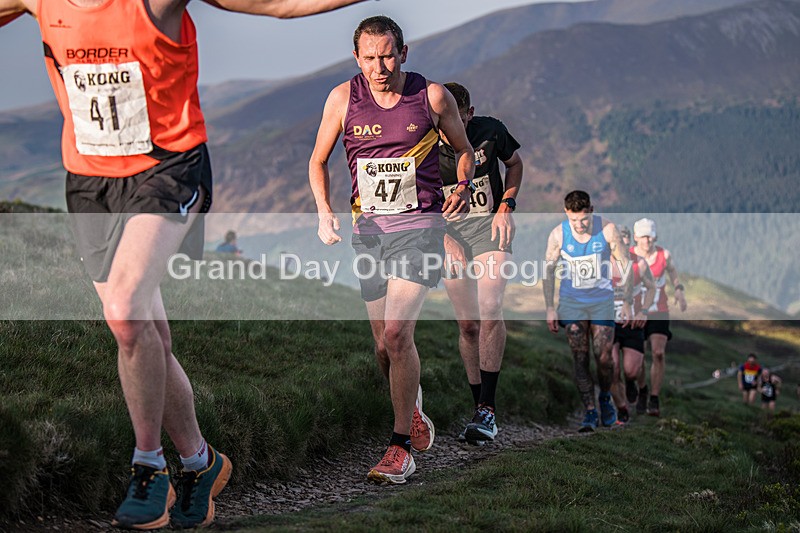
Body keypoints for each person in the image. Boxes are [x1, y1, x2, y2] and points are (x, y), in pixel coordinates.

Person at [0, 0, 368, 529]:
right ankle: (201, 462)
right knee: (145, 331)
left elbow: (281, 4)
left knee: (127, 313)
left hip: (168, 166)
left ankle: (149, 469)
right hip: (88, 179)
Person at [308, 16, 475, 483]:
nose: (379, 67)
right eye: (369, 58)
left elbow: (465, 150)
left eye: (387, 55)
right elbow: (317, 160)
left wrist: (461, 184)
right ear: (356, 58)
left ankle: (400, 447)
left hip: (420, 228)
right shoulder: (343, 99)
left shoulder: (432, 96)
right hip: (370, 232)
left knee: (399, 334)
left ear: (404, 51)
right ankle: (413, 409)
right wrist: (324, 211)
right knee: (383, 346)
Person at [437, 82, 523, 445]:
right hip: (447, 234)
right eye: (441, 119)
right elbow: (416, 202)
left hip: (490, 230)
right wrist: (443, 239)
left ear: (469, 115)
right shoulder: (421, 143)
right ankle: (478, 407)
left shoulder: (490, 131)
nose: (447, 125)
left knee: (490, 306)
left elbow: (515, 164)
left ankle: (487, 408)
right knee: (468, 324)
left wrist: (506, 207)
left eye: (455, 117)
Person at [543, 190, 632, 432]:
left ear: (591, 211)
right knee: (580, 357)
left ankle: (605, 396)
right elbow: (548, 272)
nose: (579, 225)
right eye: (574, 220)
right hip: (572, 303)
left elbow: (625, 264)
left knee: (604, 358)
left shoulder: (607, 229)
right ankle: (590, 411)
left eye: (583, 219)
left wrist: (626, 301)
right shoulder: (559, 234)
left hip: (602, 301)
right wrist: (550, 308)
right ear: (566, 214)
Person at [631, 217, 687, 417]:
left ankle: (654, 397)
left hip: (659, 310)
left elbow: (673, 272)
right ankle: (643, 389)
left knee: (658, 353)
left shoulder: (664, 255)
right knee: (638, 358)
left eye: (651, 237)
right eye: (644, 237)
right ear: (636, 237)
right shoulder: (628, 256)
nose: (647, 241)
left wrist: (678, 289)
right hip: (636, 311)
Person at [609, 225, 655, 424]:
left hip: (633, 322)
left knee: (631, 370)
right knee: (611, 368)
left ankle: (634, 384)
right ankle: (622, 410)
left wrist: (644, 311)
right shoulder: (601, 264)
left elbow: (652, 288)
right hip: (608, 322)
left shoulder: (640, 264)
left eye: (625, 244)